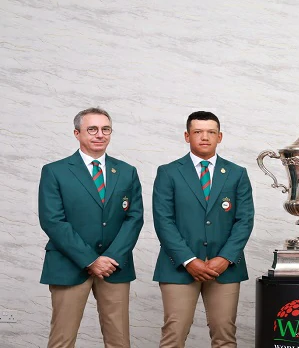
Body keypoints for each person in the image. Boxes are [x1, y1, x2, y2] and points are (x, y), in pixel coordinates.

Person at [39, 107, 144, 347]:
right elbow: (52, 221)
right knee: (62, 340)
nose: (100, 135)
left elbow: (134, 218)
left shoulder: (127, 172)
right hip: (68, 264)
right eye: (92, 129)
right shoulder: (55, 171)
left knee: (119, 340)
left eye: (105, 129)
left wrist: (111, 258)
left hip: (114, 267)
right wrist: (90, 260)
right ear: (77, 133)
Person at [152, 111, 254, 348]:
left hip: (225, 268)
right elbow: (163, 221)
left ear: (220, 137)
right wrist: (189, 260)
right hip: (179, 266)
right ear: (187, 136)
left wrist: (225, 258)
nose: (204, 137)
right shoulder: (168, 172)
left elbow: (244, 220)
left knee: (224, 335)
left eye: (211, 132)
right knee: (174, 334)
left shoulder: (236, 173)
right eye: (198, 132)